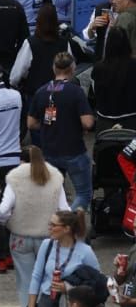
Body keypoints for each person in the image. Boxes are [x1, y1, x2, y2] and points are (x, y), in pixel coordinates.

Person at [0, 145, 66, 307]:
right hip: (50, 238)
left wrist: (8, 222)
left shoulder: (15, 178)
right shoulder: (54, 176)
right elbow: (64, 209)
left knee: (26, 283)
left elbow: (2, 210)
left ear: (21, 160)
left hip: (21, 238)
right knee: (52, 283)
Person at [26, 51, 95, 208]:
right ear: (72, 68)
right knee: (83, 194)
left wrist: (47, 124)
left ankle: (55, 224)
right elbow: (88, 122)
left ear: (54, 68)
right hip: (74, 151)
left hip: (50, 151)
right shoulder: (76, 92)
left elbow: (31, 123)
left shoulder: (42, 92)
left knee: (54, 194)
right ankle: (68, 223)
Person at [26, 208, 99, 307]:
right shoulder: (47, 245)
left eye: (53, 225)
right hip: (47, 302)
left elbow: (97, 282)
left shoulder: (85, 251)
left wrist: (69, 288)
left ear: (66, 229)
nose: (49, 228)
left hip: (72, 305)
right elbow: (36, 277)